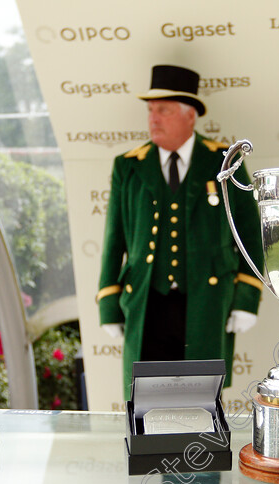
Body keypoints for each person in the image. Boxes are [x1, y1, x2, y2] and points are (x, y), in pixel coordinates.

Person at [96, 65, 264, 398]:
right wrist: (108, 301)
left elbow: (250, 235)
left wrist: (247, 297)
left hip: (207, 299)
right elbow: (114, 240)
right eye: (150, 110)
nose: (153, 118)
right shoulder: (128, 165)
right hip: (146, 299)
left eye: (163, 110)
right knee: (146, 399)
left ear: (191, 115)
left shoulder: (223, 162)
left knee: (201, 397)